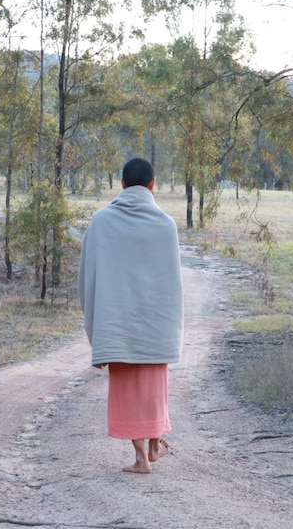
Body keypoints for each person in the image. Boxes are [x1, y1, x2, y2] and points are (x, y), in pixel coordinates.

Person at [78, 157, 184, 474]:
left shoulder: (101, 221)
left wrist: (97, 320)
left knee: (126, 390)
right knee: (151, 390)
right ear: (153, 185)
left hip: (117, 324)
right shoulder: (166, 225)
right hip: (154, 326)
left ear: (121, 184)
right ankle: (153, 445)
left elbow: (87, 276)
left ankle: (141, 457)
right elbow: (172, 284)